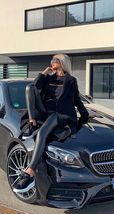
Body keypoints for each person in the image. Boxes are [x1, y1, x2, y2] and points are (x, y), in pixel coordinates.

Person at [13, 54, 89, 193]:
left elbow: (76, 99)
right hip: (45, 112)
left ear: (62, 62)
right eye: (52, 60)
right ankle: (32, 122)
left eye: (55, 60)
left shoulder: (71, 80)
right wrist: (43, 73)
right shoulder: (48, 78)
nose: (52, 62)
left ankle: (30, 170)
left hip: (61, 114)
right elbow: (34, 87)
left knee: (42, 133)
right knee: (29, 88)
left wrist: (85, 114)